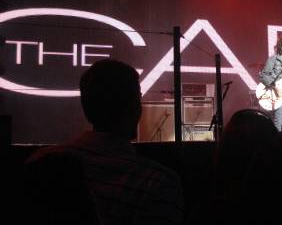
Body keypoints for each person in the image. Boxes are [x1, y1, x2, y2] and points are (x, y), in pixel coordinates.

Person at [25, 59, 184, 225]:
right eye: (138, 96)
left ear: (86, 106)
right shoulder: (157, 182)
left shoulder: (39, 162)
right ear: (134, 106)